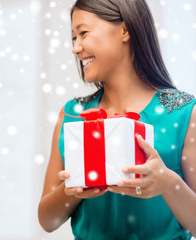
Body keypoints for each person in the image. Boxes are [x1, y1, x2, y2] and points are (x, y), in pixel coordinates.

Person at [38, 0, 196, 239]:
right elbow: (47, 221)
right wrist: (72, 191)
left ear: (124, 30)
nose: (76, 47)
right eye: (73, 38)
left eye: (83, 33)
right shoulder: (72, 114)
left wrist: (167, 183)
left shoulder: (184, 112)